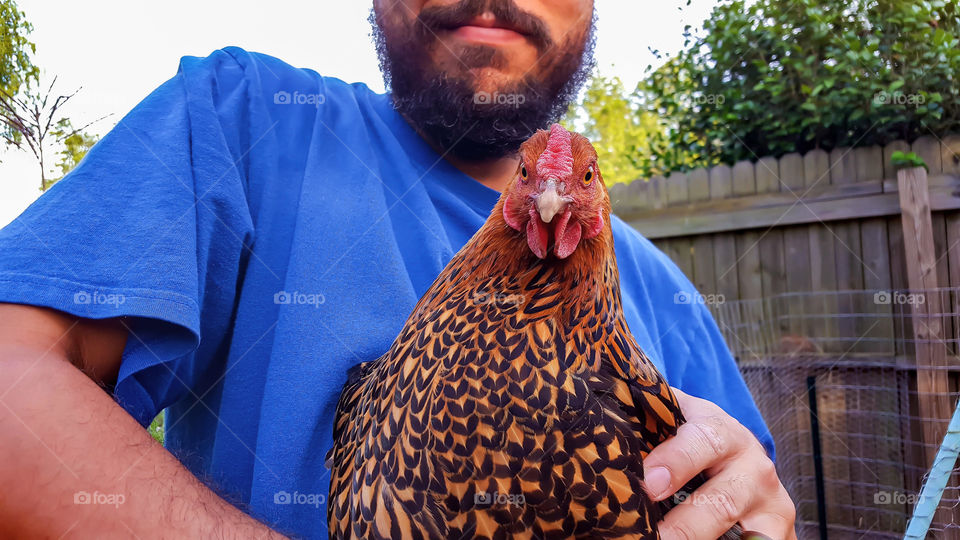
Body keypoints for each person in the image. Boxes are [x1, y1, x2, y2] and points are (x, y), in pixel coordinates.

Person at [0, 0, 796, 538]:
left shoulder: (669, 301)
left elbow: (757, 509)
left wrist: (760, 516)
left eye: (575, 184)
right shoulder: (246, 120)